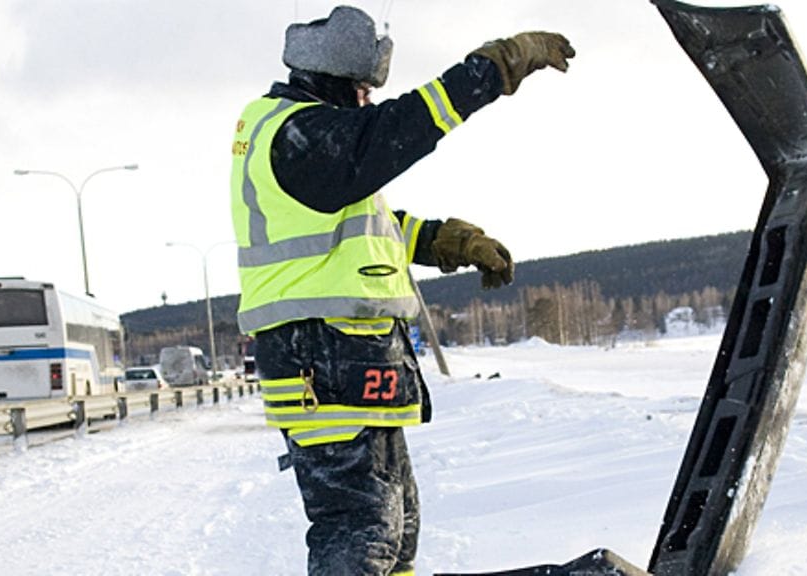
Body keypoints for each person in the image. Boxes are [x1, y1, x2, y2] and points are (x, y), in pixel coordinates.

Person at [229, 6, 574, 574]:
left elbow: (364, 227)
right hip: (319, 355)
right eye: (363, 90)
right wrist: (494, 68)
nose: (368, 101)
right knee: (361, 527)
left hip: (347, 354)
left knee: (395, 526)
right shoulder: (298, 134)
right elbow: (400, 128)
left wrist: (444, 242)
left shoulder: (315, 147)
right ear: (335, 80)